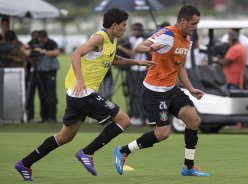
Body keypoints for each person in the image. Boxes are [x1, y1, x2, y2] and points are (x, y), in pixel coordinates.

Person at [15, 8, 155, 181]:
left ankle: (25, 163)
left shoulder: (112, 40)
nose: (125, 28)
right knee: (124, 120)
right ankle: (87, 152)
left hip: (78, 95)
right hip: (83, 92)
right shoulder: (99, 37)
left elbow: (113, 59)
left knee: (65, 137)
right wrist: (80, 80)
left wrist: (137, 62)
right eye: (124, 25)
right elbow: (75, 54)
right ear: (114, 25)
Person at [113, 5, 209, 176]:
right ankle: (123, 151)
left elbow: (180, 68)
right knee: (163, 133)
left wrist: (191, 88)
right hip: (155, 92)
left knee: (194, 121)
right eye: (193, 23)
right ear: (183, 21)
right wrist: (151, 48)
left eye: (197, 24)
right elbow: (139, 47)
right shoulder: (167, 34)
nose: (195, 27)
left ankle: (188, 167)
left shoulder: (188, 39)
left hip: (172, 89)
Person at [117, 22, 149, 125]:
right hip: (132, 70)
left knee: (139, 94)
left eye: (135, 30)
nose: (133, 32)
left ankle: (143, 116)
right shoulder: (132, 39)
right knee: (132, 93)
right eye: (132, 29)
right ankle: (135, 115)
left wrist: (120, 48)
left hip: (140, 70)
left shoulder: (141, 40)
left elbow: (132, 53)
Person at [32, 30, 60, 123]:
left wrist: (43, 51)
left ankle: (52, 117)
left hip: (50, 72)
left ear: (45, 37)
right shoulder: (36, 43)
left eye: (41, 39)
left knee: (51, 94)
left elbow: (56, 53)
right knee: (42, 95)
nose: (40, 41)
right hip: (40, 72)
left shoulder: (51, 43)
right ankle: (44, 117)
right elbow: (25, 48)